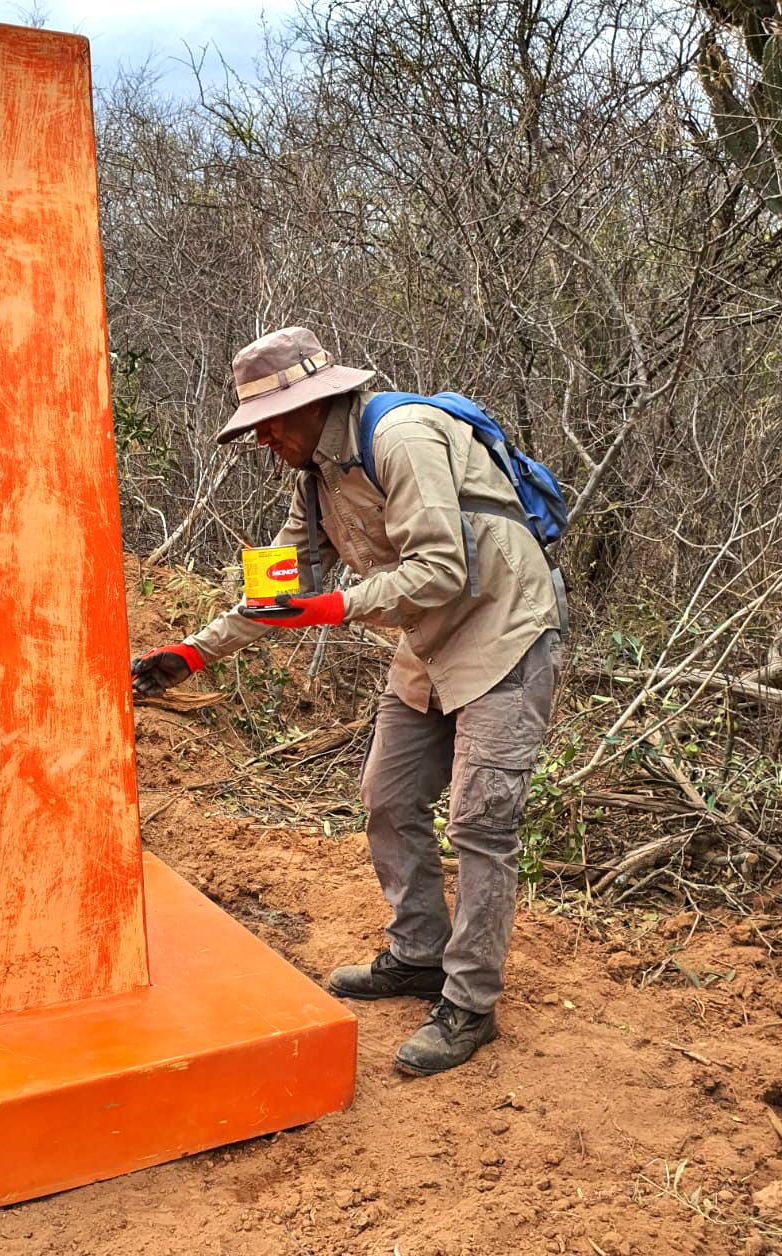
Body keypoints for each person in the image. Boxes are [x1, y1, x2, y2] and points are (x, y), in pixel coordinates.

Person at [131, 326, 562, 1076]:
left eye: (269, 423)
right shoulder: (316, 475)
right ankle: (419, 954)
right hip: (428, 644)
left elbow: (438, 568)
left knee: (480, 823)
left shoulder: (401, 437)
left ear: (311, 405)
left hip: (505, 629)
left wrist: (332, 608)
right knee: (388, 797)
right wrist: (191, 655)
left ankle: (469, 1003)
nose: (264, 441)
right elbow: (276, 593)